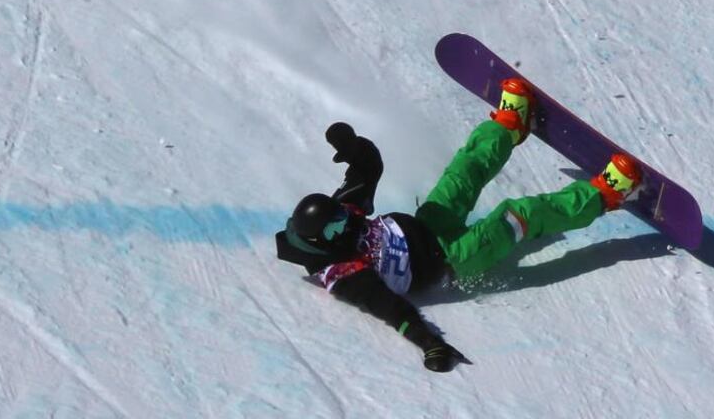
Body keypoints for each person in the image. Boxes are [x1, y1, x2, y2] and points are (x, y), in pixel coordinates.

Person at [275, 78, 642, 373]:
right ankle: (603, 196)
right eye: (334, 231)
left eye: (340, 219)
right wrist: (430, 344)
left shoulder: (343, 217)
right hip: (454, 259)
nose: (345, 227)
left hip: (428, 224)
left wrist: (353, 146)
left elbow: (367, 170)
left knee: (463, 173)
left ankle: (509, 126)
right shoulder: (341, 272)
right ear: (319, 242)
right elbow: (389, 308)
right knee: (520, 215)